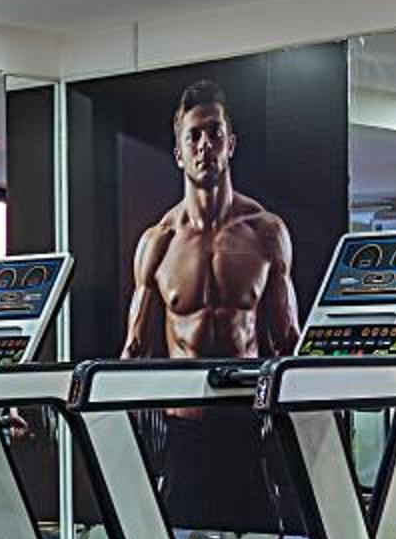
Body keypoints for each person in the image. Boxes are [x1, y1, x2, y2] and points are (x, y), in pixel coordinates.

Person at [123, 80, 300, 359]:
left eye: (215, 133)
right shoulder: (158, 243)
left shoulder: (266, 233)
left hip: (244, 388)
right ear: (179, 155)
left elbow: (287, 341)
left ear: (230, 145)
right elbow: (136, 350)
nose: (205, 145)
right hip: (184, 388)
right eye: (193, 136)